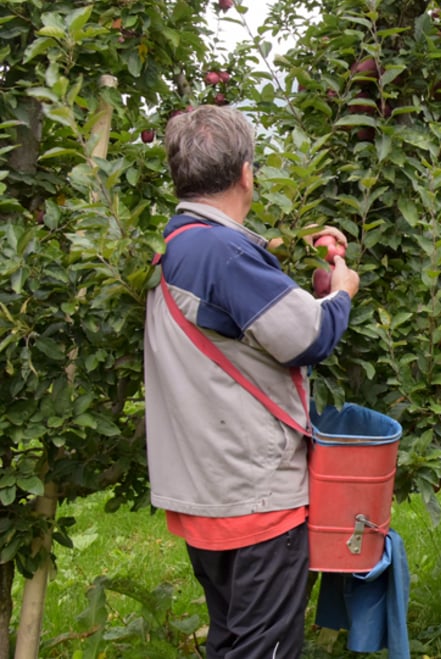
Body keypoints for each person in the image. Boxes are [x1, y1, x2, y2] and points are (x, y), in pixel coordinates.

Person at [144, 104, 360, 658]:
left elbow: (237, 315)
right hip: (255, 496)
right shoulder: (222, 253)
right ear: (246, 173)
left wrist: (284, 251)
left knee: (234, 639)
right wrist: (340, 292)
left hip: (208, 486)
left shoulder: (179, 242)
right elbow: (308, 337)